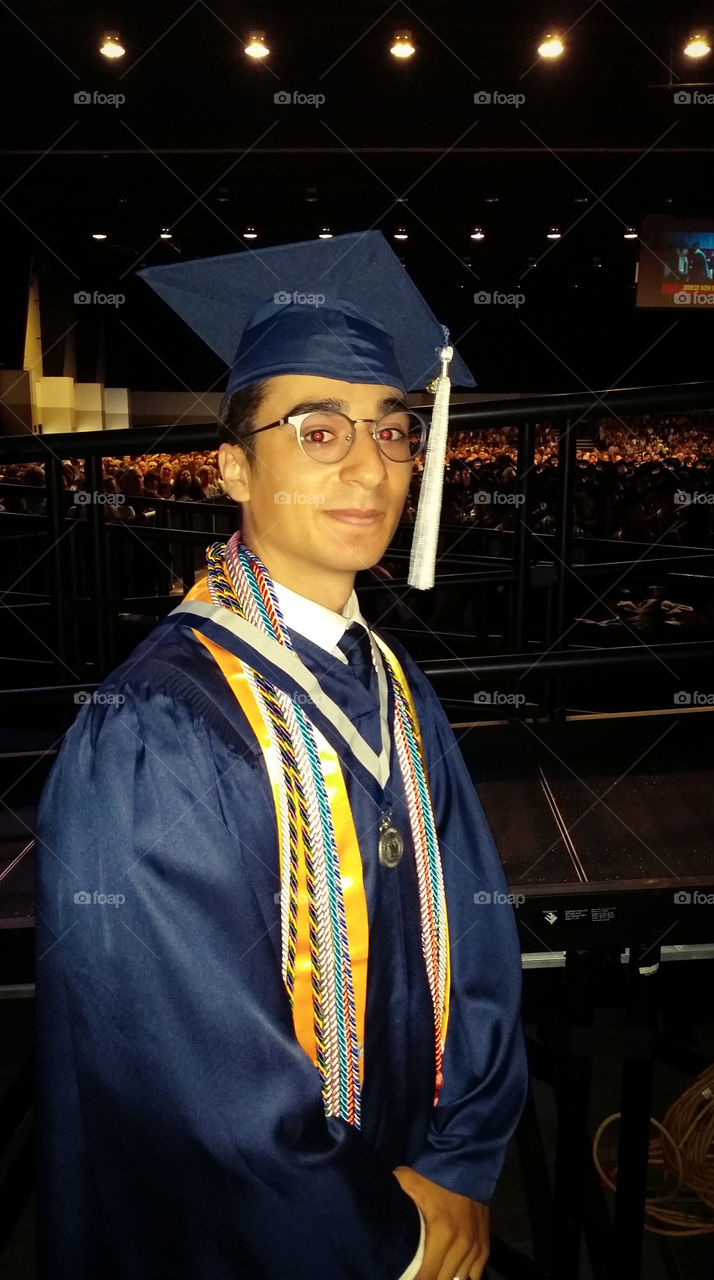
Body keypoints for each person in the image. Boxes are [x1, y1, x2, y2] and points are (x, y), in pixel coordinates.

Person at [36, 231, 527, 1280]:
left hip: (418, 1171)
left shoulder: (393, 684)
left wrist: (461, 1163)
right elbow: (190, 1079)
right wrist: (390, 1238)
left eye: (394, 430)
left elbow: (478, 935)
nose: (367, 462)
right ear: (231, 467)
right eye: (317, 430)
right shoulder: (158, 727)